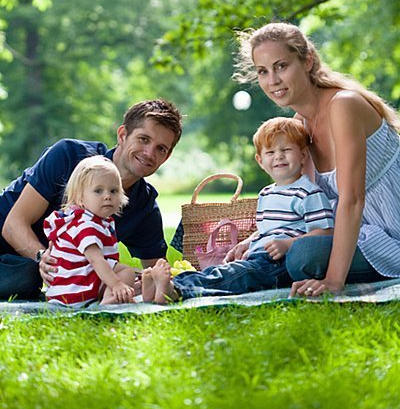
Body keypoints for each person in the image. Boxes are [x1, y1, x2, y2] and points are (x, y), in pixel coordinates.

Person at [232, 21, 400, 298]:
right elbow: (306, 201)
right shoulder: (300, 124)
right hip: (355, 231)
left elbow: (352, 199)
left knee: (303, 257)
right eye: (263, 71)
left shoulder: (343, 105)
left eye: (281, 66)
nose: (272, 80)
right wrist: (256, 240)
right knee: (284, 252)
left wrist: (334, 280)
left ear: (307, 61)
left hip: (390, 234)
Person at [0, 99, 182, 300]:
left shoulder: (144, 206)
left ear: (167, 157)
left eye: (161, 148)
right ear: (122, 135)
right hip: (10, 245)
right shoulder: (69, 155)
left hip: (32, 269)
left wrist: (147, 280)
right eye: (143, 139)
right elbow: (12, 225)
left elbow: (158, 271)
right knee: (27, 276)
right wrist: (42, 258)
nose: (149, 153)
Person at [141, 117, 334, 304]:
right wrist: (246, 243)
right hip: (258, 256)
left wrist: (289, 244)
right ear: (260, 161)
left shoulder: (308, 192)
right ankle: (166, 286)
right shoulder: (267, 193)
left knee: (234, 277)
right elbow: (266, 229)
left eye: (286, 150)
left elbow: (325, 232)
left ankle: (176, 290)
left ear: (302, 155)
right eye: (270, 152)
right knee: (221, 272)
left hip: (280, 262)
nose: (278, 156)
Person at [44, 156, 136, 307]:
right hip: (75, 291)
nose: (107, 196)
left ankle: (114, 295)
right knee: (126, 273)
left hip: (70, 287)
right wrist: (117, 284)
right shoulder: (86, 225)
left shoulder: (94, 221)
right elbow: (96, 260)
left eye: (113, 191)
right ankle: (108, 302)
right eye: (98, 191)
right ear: (80, 198)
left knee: (126, 275)